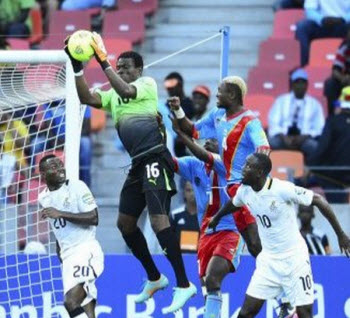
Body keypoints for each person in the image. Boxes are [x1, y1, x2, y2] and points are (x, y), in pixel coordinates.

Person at [64, 33, 196, 313]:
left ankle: (184, 285)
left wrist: (102, 60)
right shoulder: (112, 96)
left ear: (139, 70)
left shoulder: (146, 85)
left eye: (126, 67)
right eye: (118, 66)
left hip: (155, 159)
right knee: (125, 224)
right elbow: (87, 96)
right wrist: (77, 67)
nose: (121, 69)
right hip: (138, 164)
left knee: (160, 222)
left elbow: (125, 90)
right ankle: (154, 277)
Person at [208, 153, 350, 318]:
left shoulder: (282, 189)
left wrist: (341, 235)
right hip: (268, 262)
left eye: (248, 166)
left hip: (295, 260)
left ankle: (289, 304)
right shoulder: (244, 191)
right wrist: (216, 218)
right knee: (246, 312)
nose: (243, 169)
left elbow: (318, 199)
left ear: (260, 172)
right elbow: (233, 204)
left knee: (305, 313)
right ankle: (286, 303)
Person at [168, 76, 269, 258]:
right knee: (252, 246)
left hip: (245, 189)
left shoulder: (250, 121)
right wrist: (178, 110)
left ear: (231, 95)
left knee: (255, 242)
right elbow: (194, 130)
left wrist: (256, 179)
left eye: (220, 91)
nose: (217, 94)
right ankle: (268, 273)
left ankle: (276, 272)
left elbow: (264, 148)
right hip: (232, 190)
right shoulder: (217, 115)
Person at [171, 120, 245, 318]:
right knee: (208, 287)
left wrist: (181, 133)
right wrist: (158, 136)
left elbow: (204, 154)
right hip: (205, 233)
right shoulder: (195, 165)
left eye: (215, 140)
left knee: (212, 278)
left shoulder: (228, 165)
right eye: (207, 139)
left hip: (229, 230)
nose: (209, 143)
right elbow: (171, 162)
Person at [38, 154, 104, 318]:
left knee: (71, 302)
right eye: (54, 167)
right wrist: (59, 251)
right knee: (86, 309)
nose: (60, 168)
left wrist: (60, 213)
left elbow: (94, 218)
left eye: (60, 164)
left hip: (86, 250)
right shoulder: (43, 197)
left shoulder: (77, 186)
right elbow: (58, 229)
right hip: (67, 257)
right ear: (43, 174)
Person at [268, 68, 324, 163]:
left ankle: (309, 173)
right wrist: (284, 137)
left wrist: (304, 137)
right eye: (297, 82)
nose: (300, 85)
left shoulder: (315, 104)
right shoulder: (281, 101)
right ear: (292, 85)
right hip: (283, 137)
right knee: (269, 144)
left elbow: (319, 127)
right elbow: (274, 123)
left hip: (304, 139)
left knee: (315, 147)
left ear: (307, 85)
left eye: (303, 82)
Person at [305, 85, 350, 203]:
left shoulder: (332, 121)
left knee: (300, 181)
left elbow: (322, 148)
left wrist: (309, 166)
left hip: (333, 176)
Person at [296, 0, 350, 66]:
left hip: (345, 24)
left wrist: (343, 19)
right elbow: (309, 10)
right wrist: (321, 19)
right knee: (302, 27)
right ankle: (304, 66)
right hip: (322, 24)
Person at [324, 27, 350, 115]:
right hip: (347, 81)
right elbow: (335, 70)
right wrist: (342, 78)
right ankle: (333, 115)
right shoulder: (345, 46)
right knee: (330, 84)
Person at [170, 181, 200, 253]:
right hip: (180, 259)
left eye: (195, 190)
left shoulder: (206, 216)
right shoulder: (175, 215)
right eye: (189, 190)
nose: (192, 194)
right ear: (184, 193)